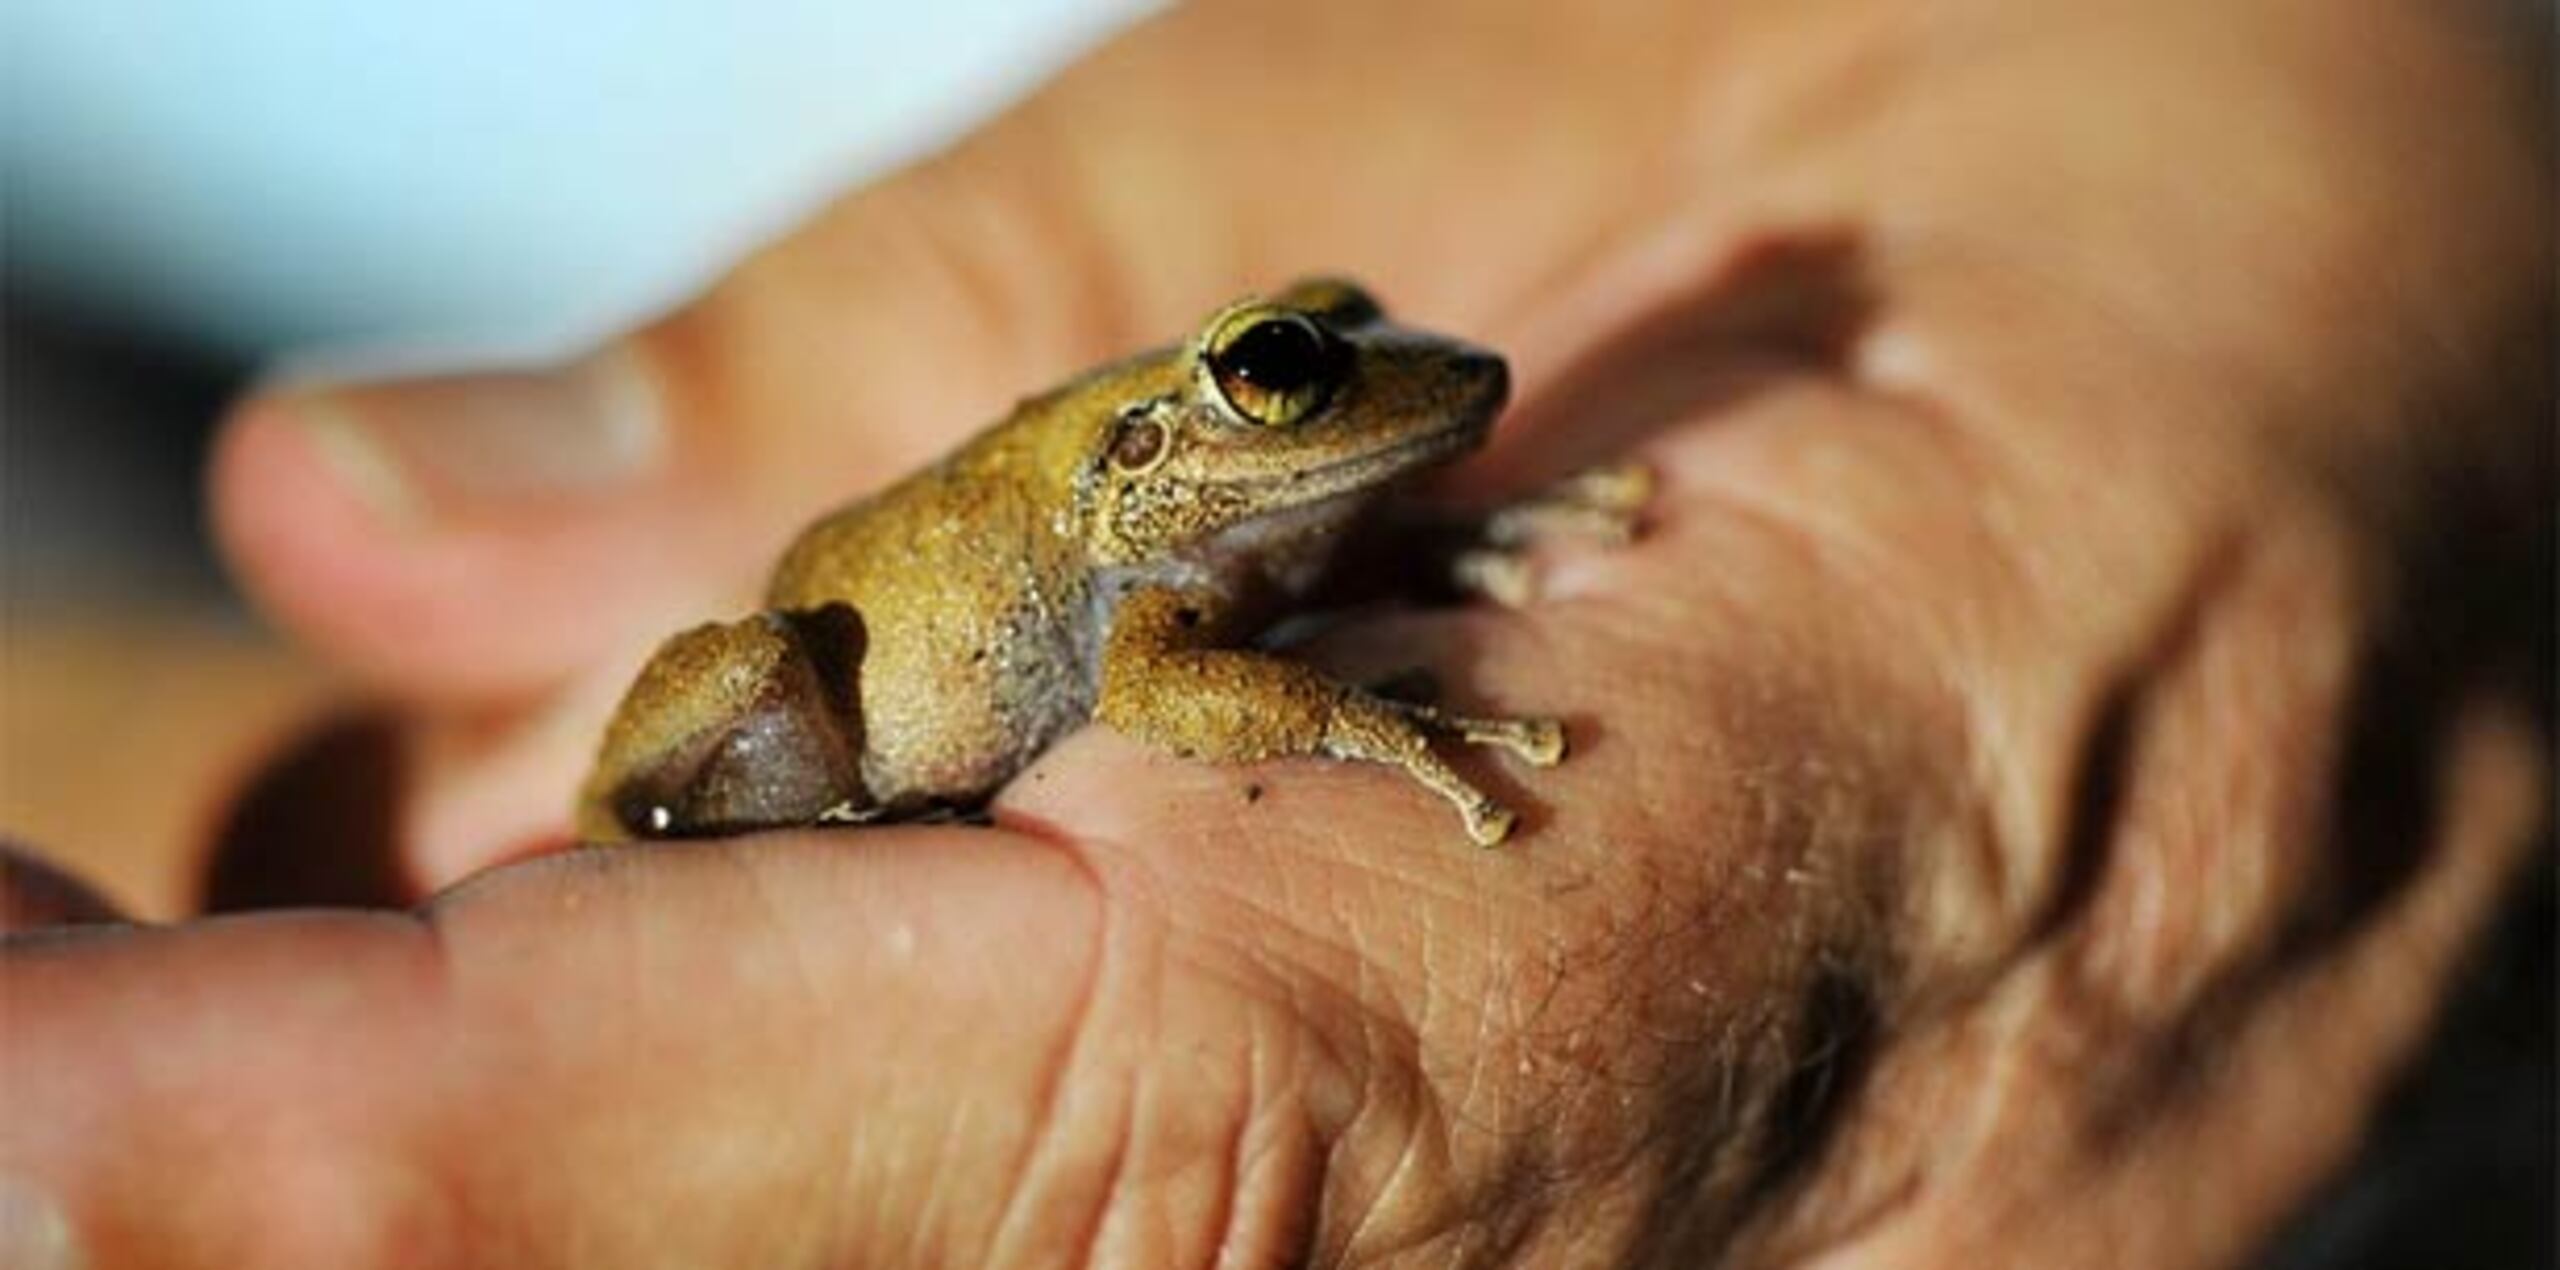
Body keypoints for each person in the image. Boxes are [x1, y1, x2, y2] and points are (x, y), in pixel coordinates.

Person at [3, 0, 2547, 1263]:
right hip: (238, 377)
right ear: (1180, 428)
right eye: (1282, 377)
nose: (1359, 396)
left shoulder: (1236, 504)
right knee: (735, 698)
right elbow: (1134, 669)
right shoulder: (1132, 548)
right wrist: (1371, 729)